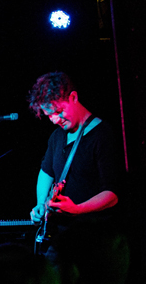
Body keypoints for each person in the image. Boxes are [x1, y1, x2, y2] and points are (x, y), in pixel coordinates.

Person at [27, 72, 121, 228]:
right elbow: (46, 172)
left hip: (94, 230)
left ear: (73, 97)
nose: (55, 120)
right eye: (49, 115)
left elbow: (112, 195)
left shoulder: (103, 135)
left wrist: (77, 209)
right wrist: (41, 204)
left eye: (58, 112)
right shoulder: (56, 137)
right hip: (62, 232)